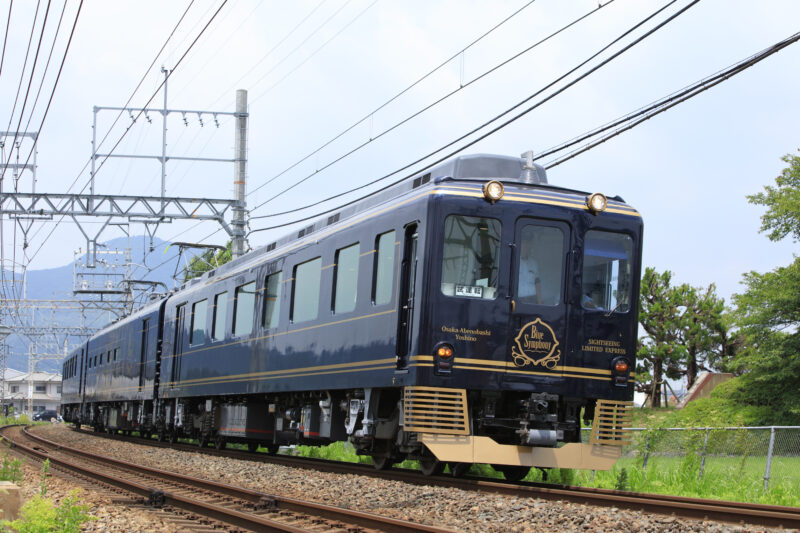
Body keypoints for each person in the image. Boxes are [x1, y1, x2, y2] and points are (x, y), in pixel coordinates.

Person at [518, 238, 542, 304]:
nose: (525, 246)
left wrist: (540, 302)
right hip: (518, 300)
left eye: (527, 244)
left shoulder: (534, 263)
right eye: (523, 244)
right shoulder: (514, 262)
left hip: (533, 299)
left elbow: (537, 283)